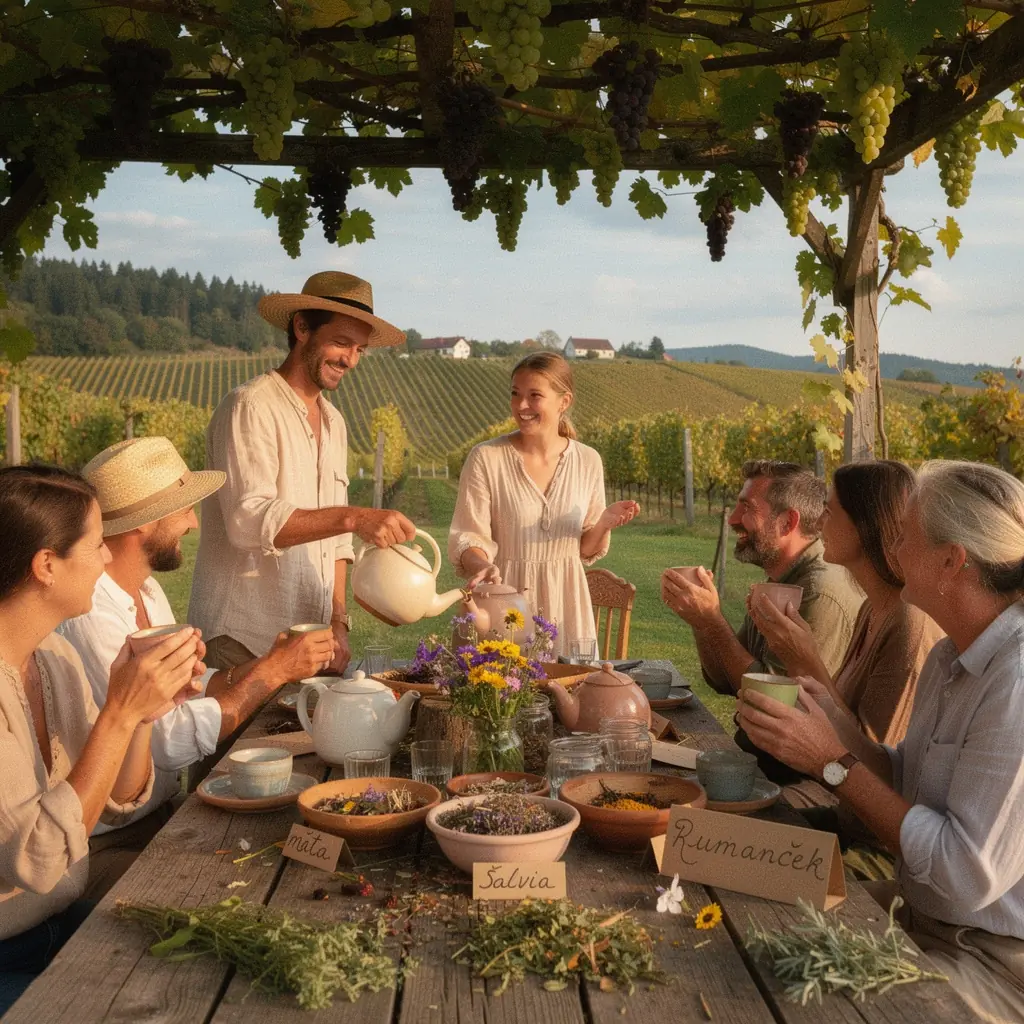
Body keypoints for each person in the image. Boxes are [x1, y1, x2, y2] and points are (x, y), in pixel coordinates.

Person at [738, 460, 1024, 1023]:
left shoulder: (1015, 682)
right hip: (920, 913)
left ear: (951, 561)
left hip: (991, 958)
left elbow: (961, 875)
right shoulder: (953, 655)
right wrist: (830, 718)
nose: (892, 547)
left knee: (796, 997)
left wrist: (831, 761)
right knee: (752, 921)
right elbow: (904, 777)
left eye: (907, 535)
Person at [59, 437, 337, 899]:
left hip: (158, 816)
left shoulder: (144, 593)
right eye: (184, 509)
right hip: (101, 846)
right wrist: (273, 673)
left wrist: (268, 662)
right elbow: (168, 741)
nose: (193, 522)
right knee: (236, 890)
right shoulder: (92, 616)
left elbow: (194, 688)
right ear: (143, 526)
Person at [0, 465, 199, 1014]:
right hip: (6, 953)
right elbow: (39, 860)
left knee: (199, 970)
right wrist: (118, 712)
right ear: (45, 565)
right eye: (94, 545)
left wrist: (142, 713)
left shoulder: (53, 658)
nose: (109, 557)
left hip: (58, 921)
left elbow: (116, 800)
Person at [189, 272, 417, 672]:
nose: (351, 359)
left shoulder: (334, 423)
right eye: (342, 342)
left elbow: (338, 545)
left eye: (360, 349)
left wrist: (338, 622)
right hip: (242, 640)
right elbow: (248, 521)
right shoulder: (250, 406)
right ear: (301, 328)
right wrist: (354, 516)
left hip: (308, 645)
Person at [747, 460, 944, 834]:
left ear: (865, 524)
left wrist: (801, 657)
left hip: (868, 830)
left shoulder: (908, 623)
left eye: (830, 511)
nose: (819, 522)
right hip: (836, 801)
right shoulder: (873, 606)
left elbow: (870, 767)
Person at [661, 459, 863, 779]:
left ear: (787, 522)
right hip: (760, 762)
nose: (733, 520)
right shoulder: (777, 581)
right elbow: (724, 680)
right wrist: (701, 621)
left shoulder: (817, 592)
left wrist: (713, 620)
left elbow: (771, 703)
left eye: (746, 508)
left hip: (796, 780)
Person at [448, 351, 639, 656]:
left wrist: (603, 524)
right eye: (515, 394)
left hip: (568, 604)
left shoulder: (588, 460)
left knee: (568, 695)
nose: (521, 406)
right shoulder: (486, 458)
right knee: (500, 696)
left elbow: (585, 550)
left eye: (534, 395)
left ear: (564, 401)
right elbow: (469, 535)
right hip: (503, 603)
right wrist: (482, 565)